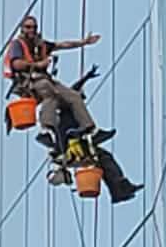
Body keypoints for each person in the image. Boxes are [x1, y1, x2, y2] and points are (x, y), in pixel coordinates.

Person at [36, 61, 141, 205]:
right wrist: (84, 79)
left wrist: (87, 77)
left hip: (77, 146)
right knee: (102, 157)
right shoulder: (65, 108)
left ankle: (119, 190)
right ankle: (119, 189)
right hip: (68, 146)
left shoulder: (71, 107)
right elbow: (73, 91)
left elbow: (75, 89)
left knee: (105, 159)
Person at [4, 15, 115, 142]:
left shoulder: (41, 45)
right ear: (22, 29)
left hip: (45, 79)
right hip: (29, 82)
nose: (32, 30)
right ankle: (45, 130)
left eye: (34, 27)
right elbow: (16, 63)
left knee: (73, 96)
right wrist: (37, 65)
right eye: (28, 27)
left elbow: (63, 45)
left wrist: (84, 42)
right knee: (49, 93)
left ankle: (90, 130)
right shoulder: (17, 45)